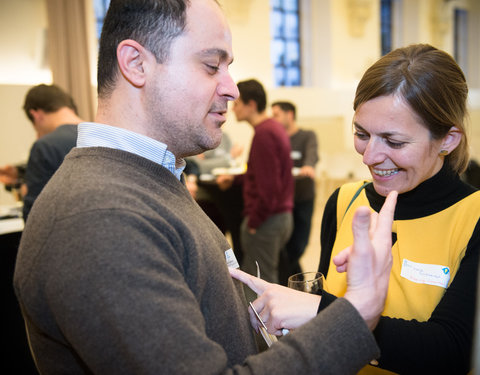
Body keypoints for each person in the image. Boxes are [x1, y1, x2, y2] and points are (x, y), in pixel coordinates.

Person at [14, 0, 397, 373]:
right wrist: (355, 312)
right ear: (135, 63)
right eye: (212, 66)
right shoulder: (99, 218)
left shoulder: (144, 177)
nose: (230, 88)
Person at [243, 44, 480, 375]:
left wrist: (322, 311)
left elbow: (453, 350)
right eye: (361, 134)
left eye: (393, 142)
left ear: (448, 140)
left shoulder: (473, 217)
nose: (369, 157)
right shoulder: (344, 201)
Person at [217, 79, 294, 296]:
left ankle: (263, 330)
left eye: (237, 103)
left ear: (251, 104)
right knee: (266, 277)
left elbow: (269, 187)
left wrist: (254, 222)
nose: (233, 109)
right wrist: (236, 180)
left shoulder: (265, 133)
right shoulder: (272, 128)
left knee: (259, 284)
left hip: (267, 219)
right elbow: (263, 174)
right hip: (278, 216)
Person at [0, 84, 81, 221]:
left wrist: (26, 191)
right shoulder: (103, 135)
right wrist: (20, 174)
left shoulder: (45, 146)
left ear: (35, 115)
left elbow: (34, 216)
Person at [271, 101, 319, 285]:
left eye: (276, 114)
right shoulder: (276, 138)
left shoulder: (307, 136)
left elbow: (311, 155)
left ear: (289, 115)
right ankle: (294, 286)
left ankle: (293, 285)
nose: (273, 119)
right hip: (282, 199)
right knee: (285, 247)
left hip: (303, 197)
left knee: (298, 245)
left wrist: (308, 165)